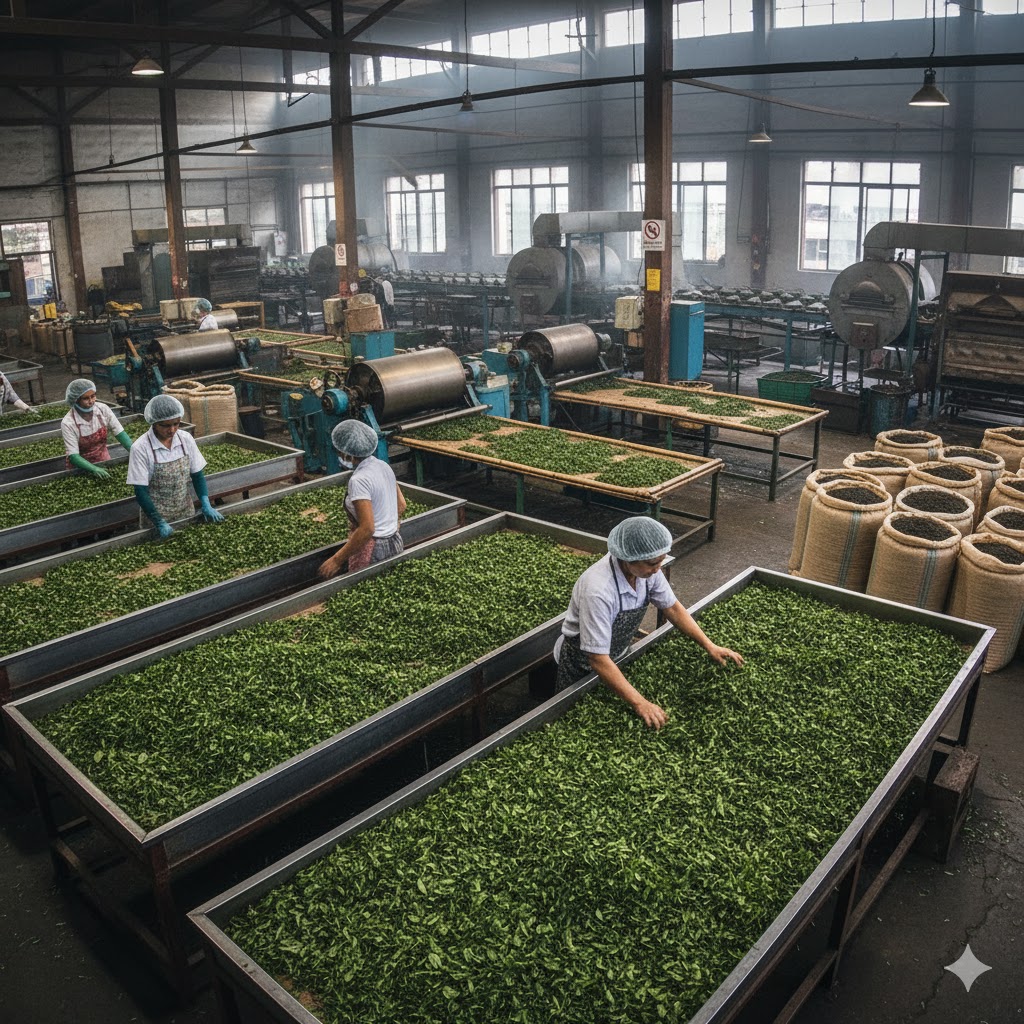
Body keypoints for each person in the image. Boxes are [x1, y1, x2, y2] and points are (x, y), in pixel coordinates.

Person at [554, 517, 743, 730]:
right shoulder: (598, 591)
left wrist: (710, 645)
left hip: (617, 653)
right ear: (628, 558)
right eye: (653, 564)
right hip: (581, 664)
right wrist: (640, 703)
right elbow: (597, 659)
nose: (657, 569)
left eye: (660, 561)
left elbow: (672, 608)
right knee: (575, 719)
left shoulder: (646, 572)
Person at [126, 394, 225, 538]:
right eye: (165, 425)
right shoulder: (141, 448)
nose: (172, 430)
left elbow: (197, 475)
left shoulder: (185, 439)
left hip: (185, 510)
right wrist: (159, 522)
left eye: (176, 424)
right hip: (156, 517)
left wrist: (206, 503)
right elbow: (140, 490)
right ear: (154, 423)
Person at [318, 419, 406, 578]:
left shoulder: (358, 480)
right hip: (395, 541)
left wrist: (336, 560)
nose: (339, 455)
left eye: (339, 451)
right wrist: (389, 528)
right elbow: (401, 505)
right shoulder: (383, 466)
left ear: (347, 453)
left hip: (372, 548)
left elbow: (367, 528)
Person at [61, 379, 132, 480]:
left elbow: (120, 433)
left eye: (93, 396)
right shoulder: (68, 423)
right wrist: (94, 469)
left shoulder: (103, 409)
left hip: (103, 459)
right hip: (81, 467)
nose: (91, 401)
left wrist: (134, 452)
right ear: (76, 399)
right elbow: (73, 456)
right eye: (86, 398)